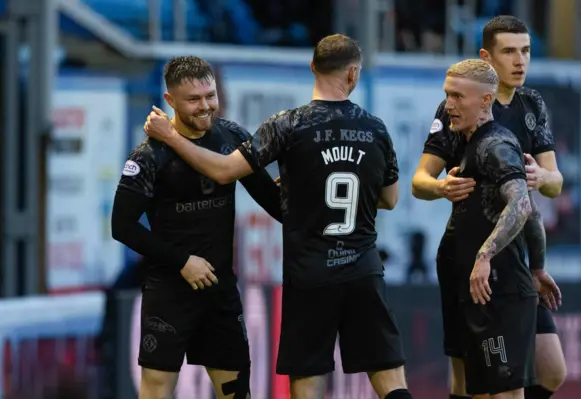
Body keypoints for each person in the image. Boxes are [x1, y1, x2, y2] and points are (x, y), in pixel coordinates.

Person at [144, 34, 414, 399]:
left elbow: (224, 172)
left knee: (308, 380)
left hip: (311, 274)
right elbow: (390, 199)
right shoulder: (376, 129)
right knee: (389, 378)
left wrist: (171, 138)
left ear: (312, 67)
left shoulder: (288, 125)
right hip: (364, 270)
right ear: (353, 74)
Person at [412, 16, 565, 399]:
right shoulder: (459, 104)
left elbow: (554, 183)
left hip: (514, 256)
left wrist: (539, 178)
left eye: (526, 51)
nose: (520, 61)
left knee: (549, 371)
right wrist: (442, 187)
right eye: (509, 51)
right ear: (487, 57)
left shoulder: (532, 104)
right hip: (469, 254)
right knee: (470, 378)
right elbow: (419, 182)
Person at [111, 56, 282, 399]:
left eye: (210, 95)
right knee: (156, 390)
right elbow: (122, 227)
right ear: (170, 100)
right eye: (194, 99)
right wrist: (182, 261)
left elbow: (274, 203)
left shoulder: (231, 136)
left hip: (220, 290)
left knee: (235, 392)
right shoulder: (148, 156)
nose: (205, 106)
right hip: (169, 292)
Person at [440, 58, 537, 398]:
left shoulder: (494, 145)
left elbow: (522, 204)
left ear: (485, 101)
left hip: (501, 292)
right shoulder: (470, 144)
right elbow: (533, 213)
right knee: (480, 391)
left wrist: (484, 255)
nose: (449, 105)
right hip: (482, 292)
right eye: (447, 95)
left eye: (457, 97)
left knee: (506, 393)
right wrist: (537, 267)